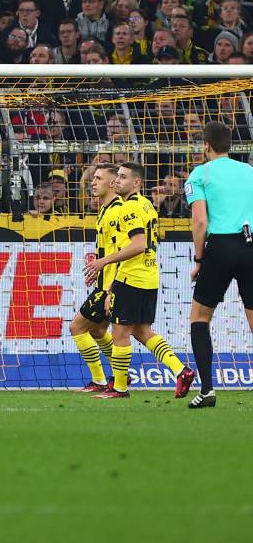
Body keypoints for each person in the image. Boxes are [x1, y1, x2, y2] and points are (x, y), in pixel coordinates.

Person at [85, 163, 195, 399]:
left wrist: (104, 262)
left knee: (119, 333)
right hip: (149, 275)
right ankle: (181, 370)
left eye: (123, 177)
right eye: (117, 176)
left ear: (136, 183)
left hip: (132, 276)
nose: (117, 181)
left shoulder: (129, 207)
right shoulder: (147, 205)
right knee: (142, 331)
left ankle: (119, 388)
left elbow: (138, 245)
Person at [185, 122, 253, 408]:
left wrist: (199, 259)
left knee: (200, 318)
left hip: (221, 247)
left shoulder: (201, 174)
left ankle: (207, 391)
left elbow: (200, 221)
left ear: (206, 145)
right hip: (250, 245)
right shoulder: (249, 171)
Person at [70, 164, 121, 392]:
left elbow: (126, 251)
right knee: (98, 331)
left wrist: (111, 286)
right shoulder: (105, 210)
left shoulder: (116, 212)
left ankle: (101, 380)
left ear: (112, 183)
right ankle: (120, 376)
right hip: (105, 281)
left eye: (99, 178)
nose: (93, 182)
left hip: (111, 285)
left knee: (77, 327)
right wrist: (99, 269)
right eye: (93, 178)